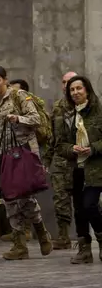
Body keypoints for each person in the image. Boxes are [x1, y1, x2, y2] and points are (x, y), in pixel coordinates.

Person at [0, 65, 53, 260]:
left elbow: (36, 119)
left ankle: (40, 231)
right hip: (6, 154)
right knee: (10, 197)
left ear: (5, 80)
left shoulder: (19, 96)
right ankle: (20, 243)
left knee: (24, 195)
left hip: (25, 152)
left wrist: (17, 118)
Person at [55, 75, 102, 264]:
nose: (75, 92)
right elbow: (60, 145)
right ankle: (84, 249)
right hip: (76, 168)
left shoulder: (98, 111)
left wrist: (93, 148)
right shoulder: (66, 116)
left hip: (96, 168)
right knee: (79, 210)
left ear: (87, 90)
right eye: (71, 90)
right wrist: (71, 149)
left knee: (90, 204)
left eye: (78, 88)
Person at [45, 71, 78, 249]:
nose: (67, 86)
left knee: (87, 202)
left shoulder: (88, 106)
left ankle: (85, 238)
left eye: (71, 82)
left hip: (81, 160)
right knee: (60, 200)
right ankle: (64, 236)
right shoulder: (58, 107)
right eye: (65, 82)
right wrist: (46, 160)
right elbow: (52, 136)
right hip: (60, 161)